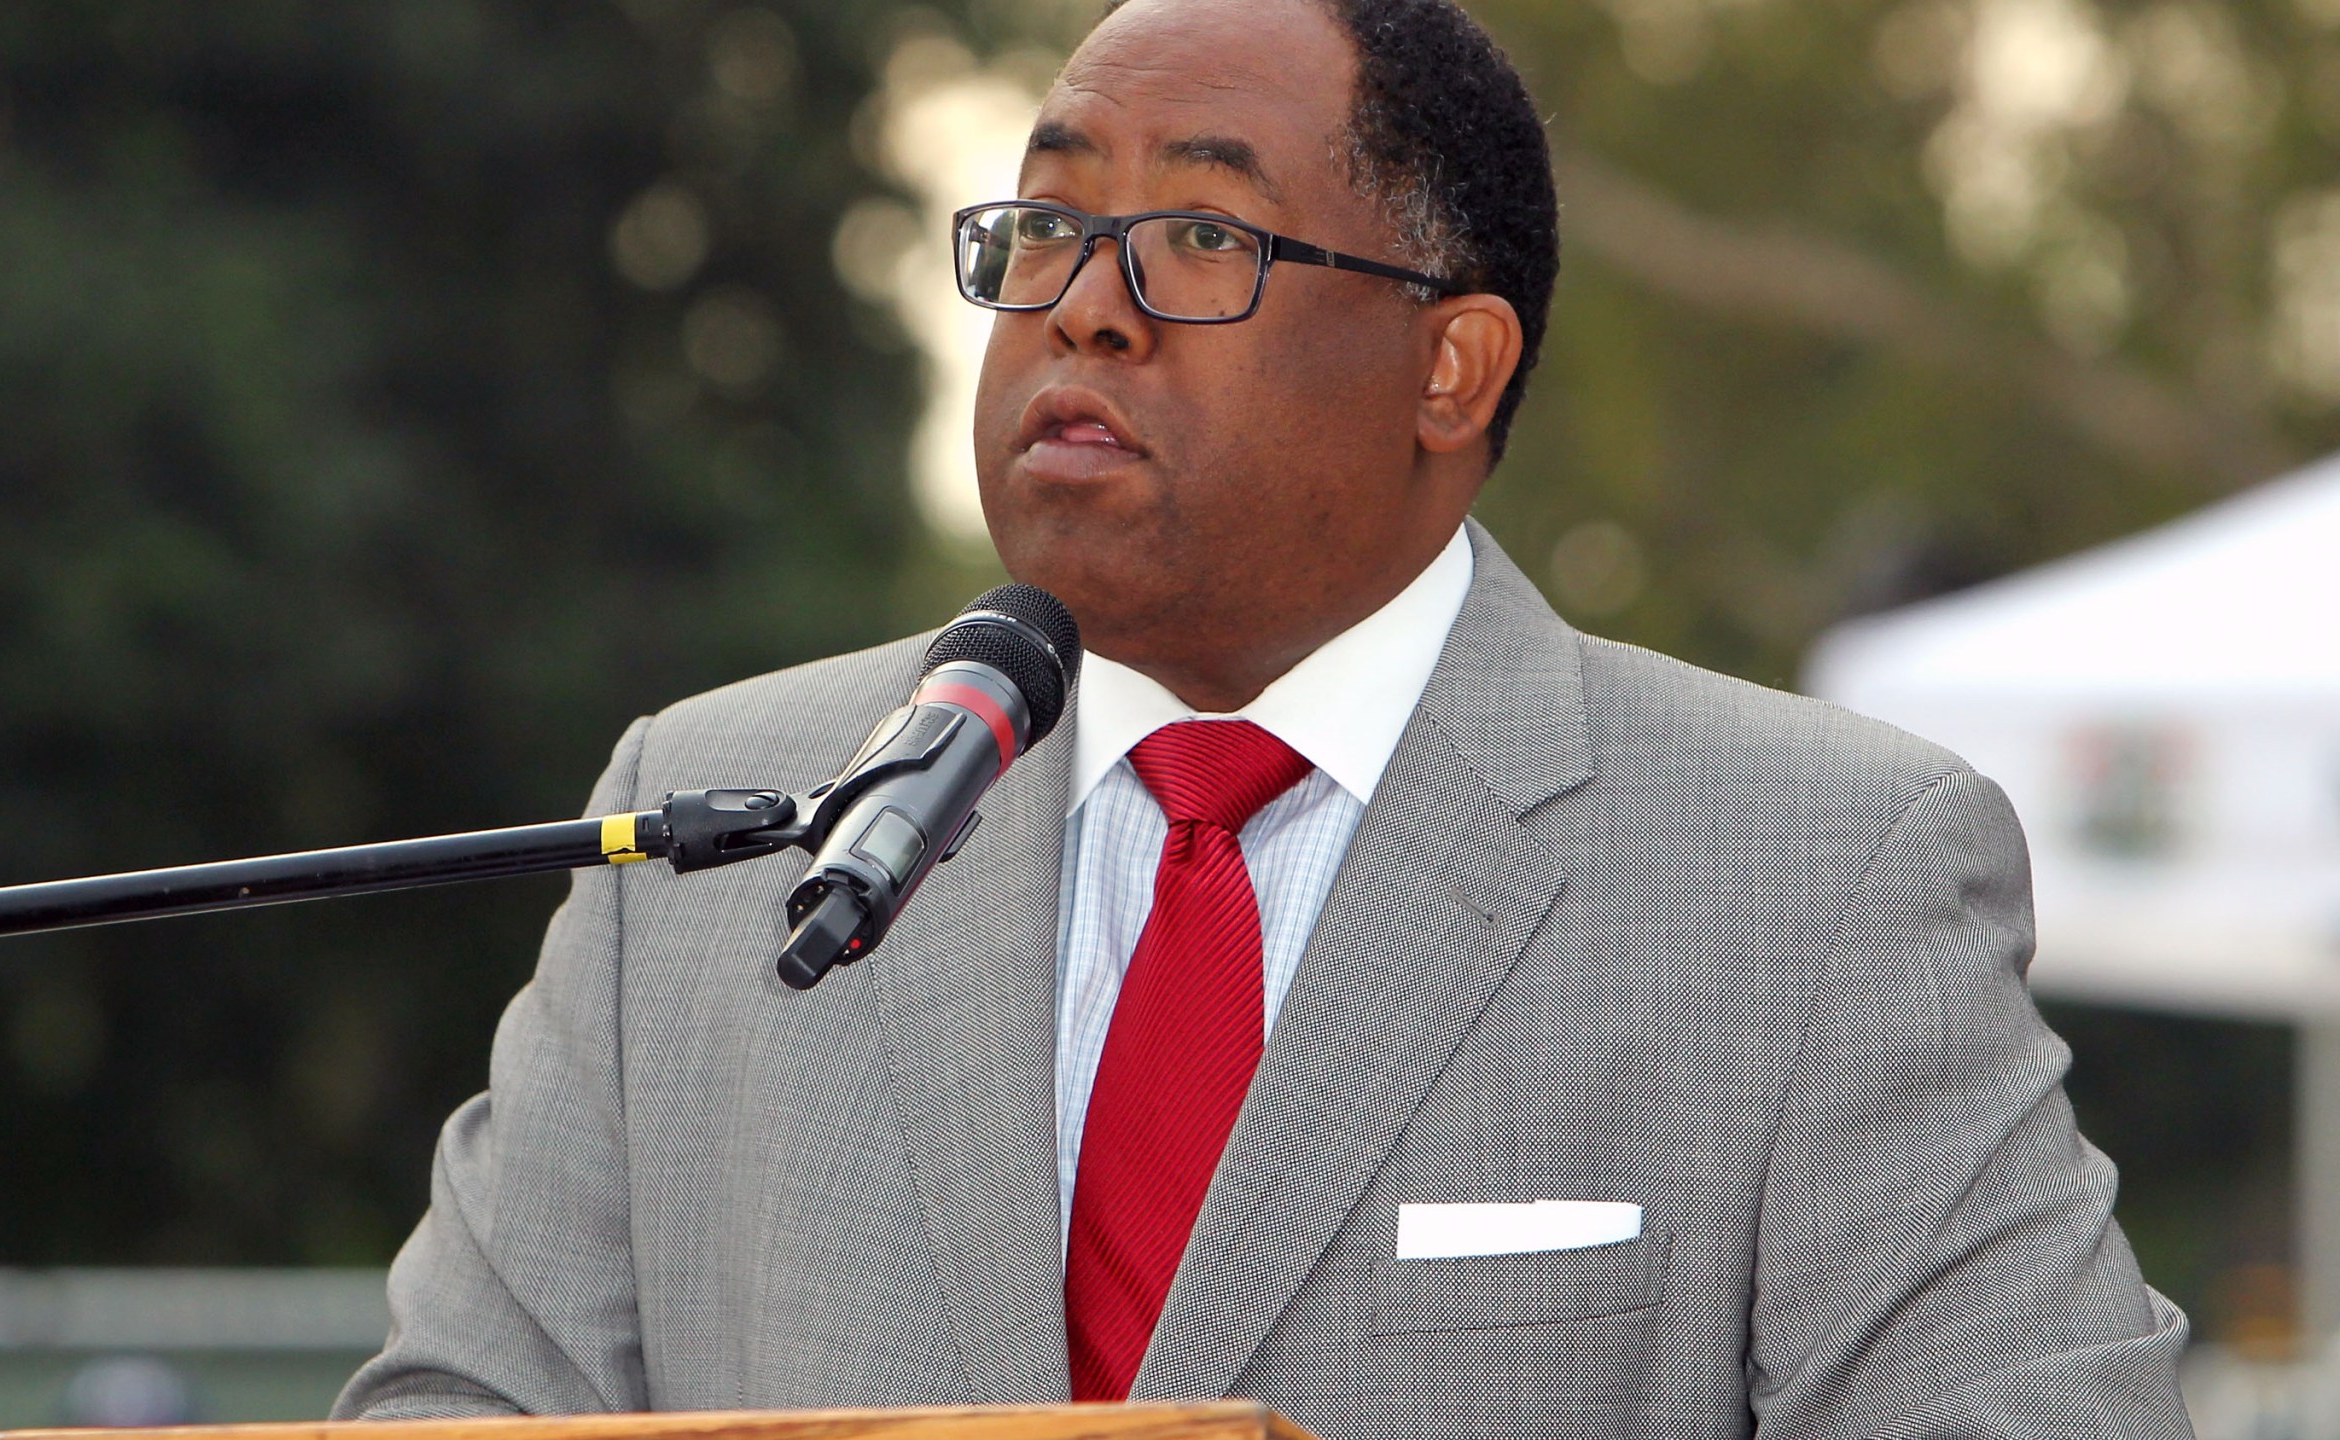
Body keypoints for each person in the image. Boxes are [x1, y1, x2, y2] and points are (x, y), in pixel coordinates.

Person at [337, 0, 2194, 1434]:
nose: (1089, 311)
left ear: (1451, 365)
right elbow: (456, 1413)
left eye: (1200, 242)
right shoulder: (709, 825)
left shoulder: (1816, 877)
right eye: (1050, 228)